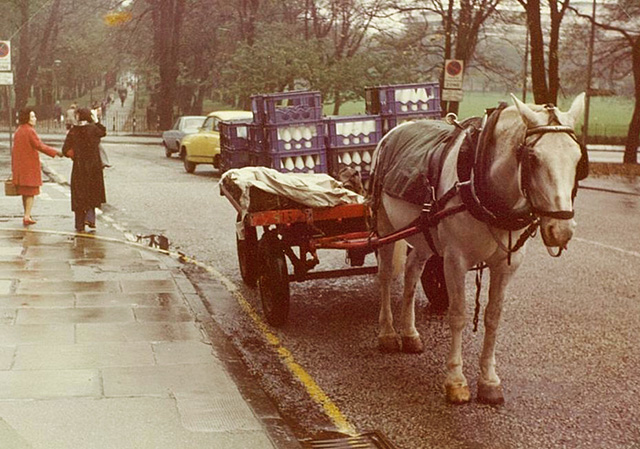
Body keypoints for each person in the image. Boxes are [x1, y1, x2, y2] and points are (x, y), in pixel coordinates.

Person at [11, 108, 63, 226]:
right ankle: (27, 216)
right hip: (29, 165)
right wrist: (55, 152)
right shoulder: (30, 131)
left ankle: (26, 214)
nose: (35, 119)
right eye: (33, 116)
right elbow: (39, 146)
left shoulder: (19, 130)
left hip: (20, 165)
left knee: (25, 192)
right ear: (27, 118)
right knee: (30, 192)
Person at [62, 107, 107, 232]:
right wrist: (96, 120)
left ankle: (79, 224)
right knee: (93, 194)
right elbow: (103, 132)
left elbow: (65, 150)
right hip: (94, 168)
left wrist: (74, 156)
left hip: (79, 167)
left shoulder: (73, 131)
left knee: (79, 196)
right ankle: (90, 218)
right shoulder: (94, 130)